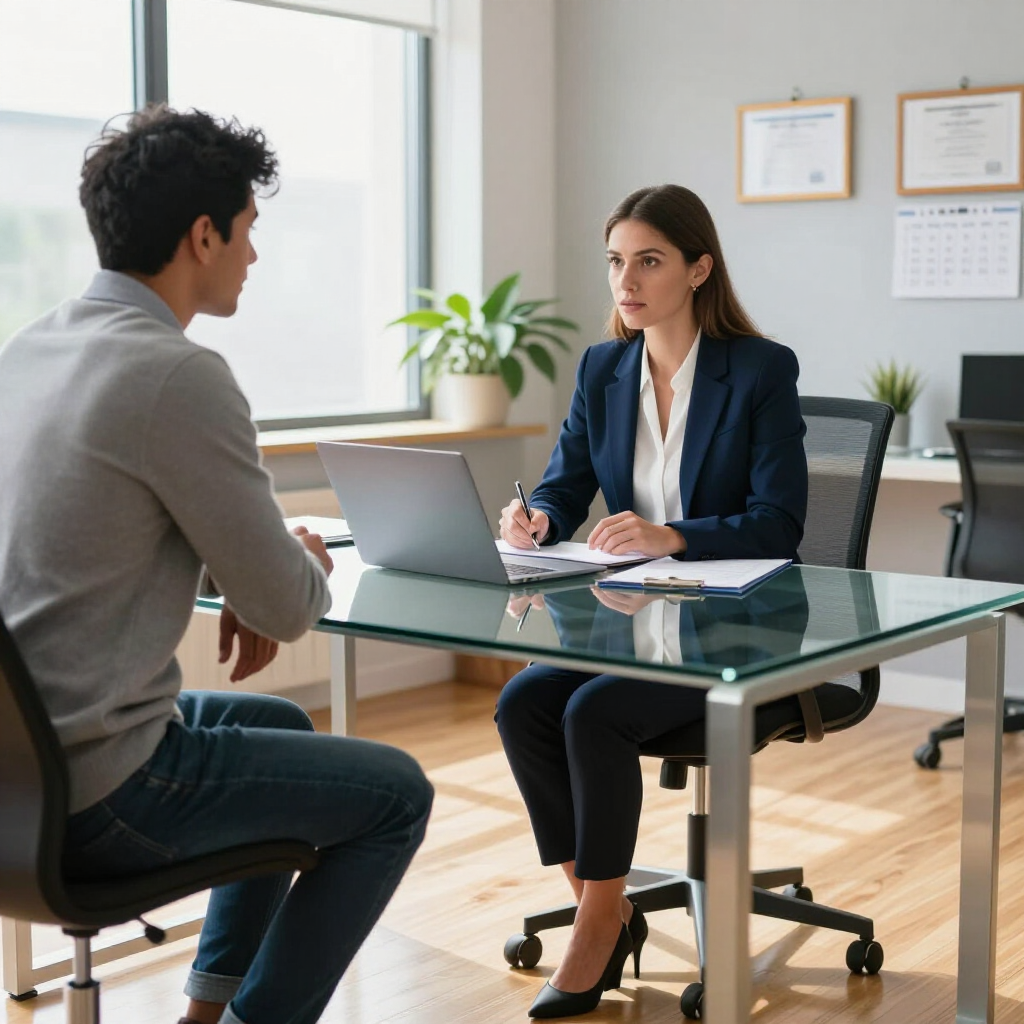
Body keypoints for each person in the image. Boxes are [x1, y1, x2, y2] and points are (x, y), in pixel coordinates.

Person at [0, 105, 433, 1024]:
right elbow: (285, 607)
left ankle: (208, 1009)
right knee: (396, 794)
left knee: (278, 722)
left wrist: (227, 567)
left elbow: (84, 536)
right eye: (248, 230)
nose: (254, 255)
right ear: (204, 234)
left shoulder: (31, 350)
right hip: (99, 791)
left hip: (16, 769)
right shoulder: (176, 374)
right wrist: (293, 558)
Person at [496, 184, 808, 1019]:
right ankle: (605, 901)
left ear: (698, 269)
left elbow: (779, 524)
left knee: (591, 712)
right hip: (640, 619)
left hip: (741, 630)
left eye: (648, 261)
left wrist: (675, 535)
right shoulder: (604, 369)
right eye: (615, 262)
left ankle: (597, 926)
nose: (625, 281)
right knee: (525, 700)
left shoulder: (760, 370)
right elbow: (566, 483)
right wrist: (538, 517)